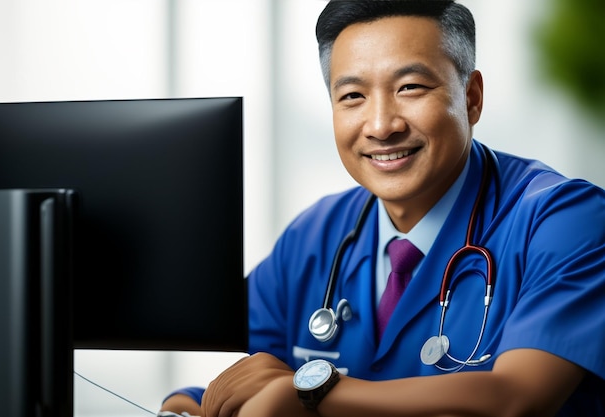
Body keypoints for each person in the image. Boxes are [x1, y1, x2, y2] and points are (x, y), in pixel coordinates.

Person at [161, 1, 605, 416]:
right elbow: (255, 376)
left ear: (471, 98)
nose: (381, 126)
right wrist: (187, 404)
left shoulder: (566, 219)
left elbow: (517, 397)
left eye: (410, 87)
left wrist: (313, 390)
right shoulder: (315, 235)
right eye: (352, 96)